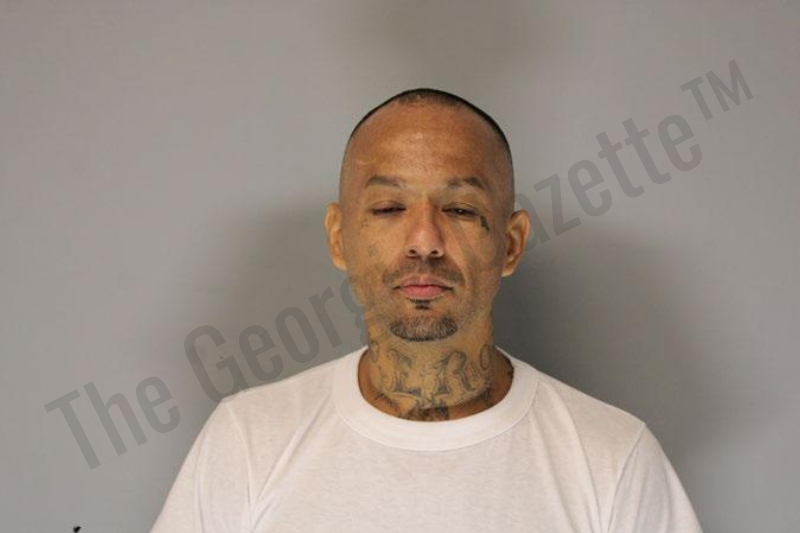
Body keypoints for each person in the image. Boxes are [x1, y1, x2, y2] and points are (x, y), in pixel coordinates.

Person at [150, 89, 704, 532]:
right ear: (339, 238)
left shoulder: (613, 460)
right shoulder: (248, 441)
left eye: (460, 209)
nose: (424, 242)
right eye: (389, 207)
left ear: (511, 244)